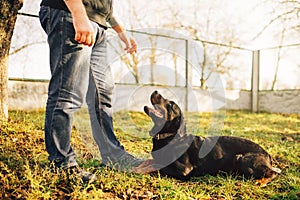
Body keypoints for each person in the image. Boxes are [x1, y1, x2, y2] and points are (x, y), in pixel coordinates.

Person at [39, 0, 145, 183]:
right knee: (68, 92)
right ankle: (61, 162)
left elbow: (103, 5)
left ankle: (113, 156)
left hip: (98, 26)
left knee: (102, 93)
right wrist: (78, 14)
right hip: (71, 13)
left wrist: (122, 33)